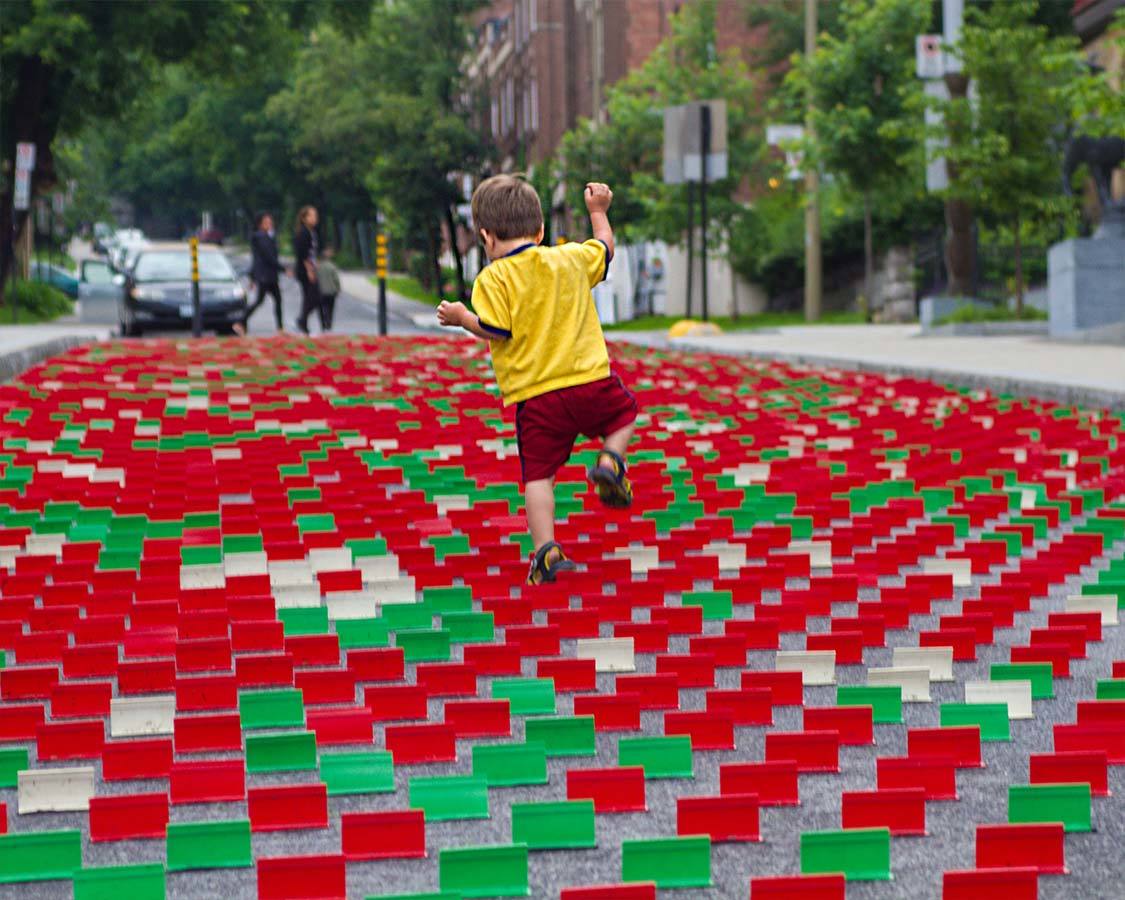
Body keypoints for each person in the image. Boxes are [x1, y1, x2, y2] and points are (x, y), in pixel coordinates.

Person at [437, 176, 637, 586]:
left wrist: (461, 318)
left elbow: (496, 329)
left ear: (486, 237)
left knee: (539, 476)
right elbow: (606, 249)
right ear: (542, 230)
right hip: (589, 379)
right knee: (623, 416)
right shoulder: (567, 258)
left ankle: (547, 551)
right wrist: (598, 212)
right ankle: (610, 459)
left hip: (537, 397)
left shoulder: (492, 279)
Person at [239, 212, 286, 333]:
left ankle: (280, 328)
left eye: (270, 222)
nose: (269, 224)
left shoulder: (266, 236)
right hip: (266, 275)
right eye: (266, 222)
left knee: (275, 300)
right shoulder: (261, 237)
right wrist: (283, 269)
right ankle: (241, 321)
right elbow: (267, 257)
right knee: (261, 301)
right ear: (260, 224)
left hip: (268, 275)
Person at [293, 205, 320, 334]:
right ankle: (302, 320)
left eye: (315, 215)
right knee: (312, 296)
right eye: (311, 215)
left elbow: (313, 252)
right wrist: (310, 270)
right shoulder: (303, 233)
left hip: (311, 267)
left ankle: (303, 320)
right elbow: (303, 254)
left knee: (310, 297)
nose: (315, 218)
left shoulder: (312, 232)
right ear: (304, 218)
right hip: (304, 270)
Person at [317, 245, 341, 332]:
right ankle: (329, 323)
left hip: (321, 291)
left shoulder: (318, 267)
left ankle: (323, 323)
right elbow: (336, 279)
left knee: (322, 308)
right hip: (331, 291)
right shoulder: (332, 267)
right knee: (331, 308)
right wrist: (338, 289)